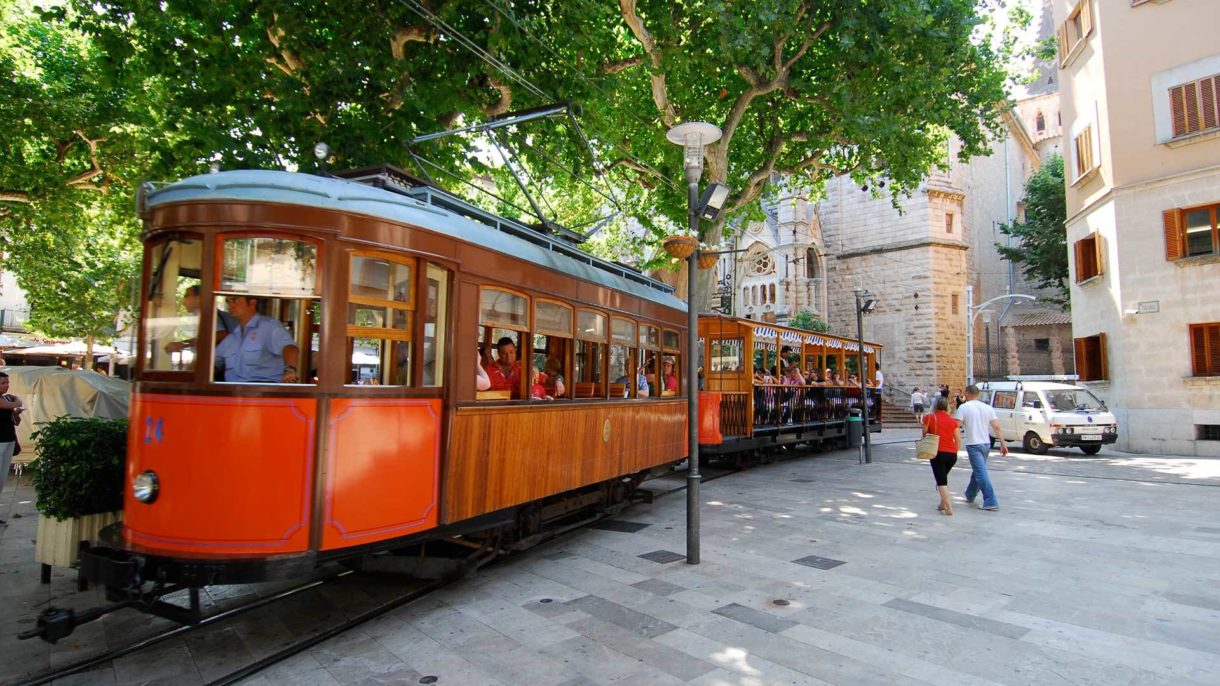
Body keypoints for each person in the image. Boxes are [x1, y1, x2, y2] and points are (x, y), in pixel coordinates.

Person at [214, 295, 299, 383]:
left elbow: (289, 348)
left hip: (262, 391)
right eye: (228, 301)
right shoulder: (233, 337)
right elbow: (213, 364)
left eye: (234, 300)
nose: (230, 305)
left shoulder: (269, 327)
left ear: (252, 303)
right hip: (231, 392)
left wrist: (289, 371)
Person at [956, 384, 1008, 510]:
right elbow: (997, 427)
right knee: (979, 471)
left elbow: (956, 425)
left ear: (967, 393)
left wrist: (955, 442)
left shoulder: (963, 407)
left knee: (980, 473)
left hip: (973, 444)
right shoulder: (987, 408)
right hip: (986, 444)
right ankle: (970, 493)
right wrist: (1003, 443)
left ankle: (991, 501)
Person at [922, 396, 960, 516]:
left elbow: (924, 433)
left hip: (937, 453)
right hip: (952, 454)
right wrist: (955, 452)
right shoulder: (952, 421)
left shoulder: (929, 417)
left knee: (941, 482)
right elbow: (958, 440)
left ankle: (949, 508)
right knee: (943, 478)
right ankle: (942, 503)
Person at [0, 372, 23, 524]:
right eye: (3, 383)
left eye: (7, 383)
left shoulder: (7, 398)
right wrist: (16, 402)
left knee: (2, 479)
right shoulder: (6, 400)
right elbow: (17, 402)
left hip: (9, 440)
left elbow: (16, 421)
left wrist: (16, 413)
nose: (7, 385)